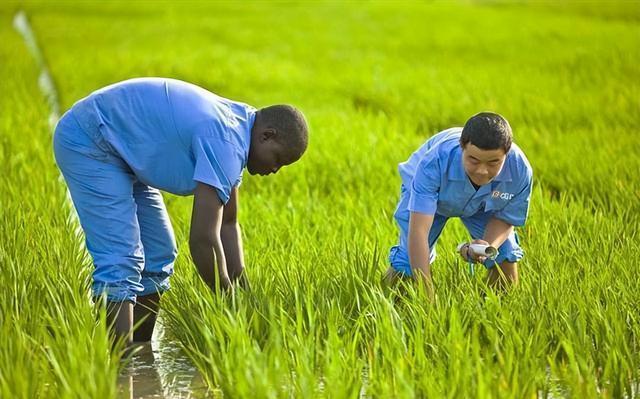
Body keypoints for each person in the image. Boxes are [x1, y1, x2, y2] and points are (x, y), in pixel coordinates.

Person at [53, 77, 309, 345]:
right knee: (120, 260)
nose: (275, 170)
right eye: (278, 159)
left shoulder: (241, 128)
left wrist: (244, 294)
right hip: (91, 141)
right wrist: (229, 303)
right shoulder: (227, 141)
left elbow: (228, 225)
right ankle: (121, 371)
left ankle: (141, 357)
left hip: (125, 152)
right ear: (267, 135)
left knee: (158, 254)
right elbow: (202, 239)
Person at [385, 112, 532, 297]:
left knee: (505, 255)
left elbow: (506, 217)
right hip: (434, 196)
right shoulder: (435, 161)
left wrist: (486, 246)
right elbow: (419, 231)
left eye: (494, 162)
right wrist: (427, 295)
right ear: (462, 147)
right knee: (408, 261)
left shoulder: (520, 169)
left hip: (482, 203)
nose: (482, 171)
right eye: (473, 160)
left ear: (507, 153)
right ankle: (384, 301)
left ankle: (495, 308)